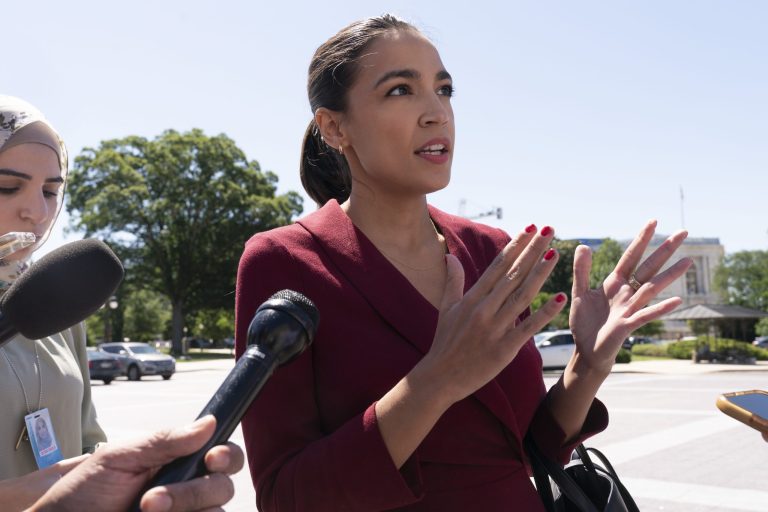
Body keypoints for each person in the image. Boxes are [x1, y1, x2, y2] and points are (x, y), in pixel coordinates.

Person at [234, 15, 691, 511]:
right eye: (400, 90)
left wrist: (589, 365)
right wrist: (436, 380)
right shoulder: (284, 260)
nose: (437, 113)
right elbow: (284, 496)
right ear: (334, 126)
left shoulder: (489, 249)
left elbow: (528, 448)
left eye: (444, 89)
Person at [0, 95, 243, 511]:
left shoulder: (58, 298)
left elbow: (88, 440)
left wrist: (136, 483)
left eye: (52, 191)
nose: (37, 211)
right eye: (8, 186)